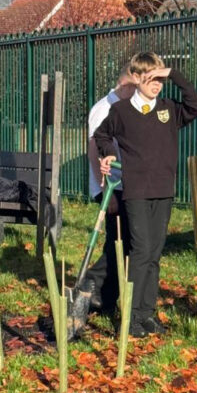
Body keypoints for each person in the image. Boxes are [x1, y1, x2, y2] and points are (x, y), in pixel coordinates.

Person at [94, 52, 197, 337]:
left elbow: (196, 103)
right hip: (137, 192)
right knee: (141, 251)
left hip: (163, 190)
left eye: (160, 79)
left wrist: (174, 74)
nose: (157, 85)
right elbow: (102, 135)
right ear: (138, 78)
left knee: (154, 254)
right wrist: (107, 155)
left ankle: (146, 314)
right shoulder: (121, 112)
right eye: (152, 79)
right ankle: (129, 316)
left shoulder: (168, 109)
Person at [76, 68, 137, 328]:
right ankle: (92, 281)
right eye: (135, 88)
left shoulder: (122, 106)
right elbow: (93, 149)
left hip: (124, 184)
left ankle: (105, 298)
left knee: (121, 241)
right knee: (117, 242)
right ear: (125, 85)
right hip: (112, 186)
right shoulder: (104, 108)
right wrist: (104, 189)